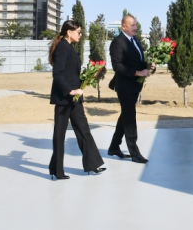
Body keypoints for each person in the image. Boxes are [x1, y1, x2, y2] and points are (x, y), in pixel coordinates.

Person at [48, 20, 106, 180]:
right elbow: (57, 74)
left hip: (74, 99)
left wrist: (85, 78)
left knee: (83, 130)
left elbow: (69, 73)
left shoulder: (69, 48)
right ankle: (57, 170)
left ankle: (92, 164)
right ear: (69, 32)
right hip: (64, 98)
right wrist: (70, 90)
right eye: (78, 32)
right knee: (59, 135)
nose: (81, 35)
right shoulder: (62, 48)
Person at [107, 15, 152, 164]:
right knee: (130, 117)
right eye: (132, 25)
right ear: (124, 26)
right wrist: (138, 73)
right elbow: (117, 66)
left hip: (135, 85)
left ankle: (114, 147)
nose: (136, 27)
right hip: (124, 86)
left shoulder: (136, 40)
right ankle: (134, 152)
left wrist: (148, 65)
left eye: (136, 24)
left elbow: (137, 61)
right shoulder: (117, 42)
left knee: (126, 115)